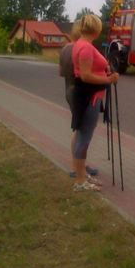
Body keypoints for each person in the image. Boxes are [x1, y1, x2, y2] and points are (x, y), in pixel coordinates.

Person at [71, 14, 119, 192]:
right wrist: (109, 80)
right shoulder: (85, 47)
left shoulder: (82, 44)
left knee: (83, 136)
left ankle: (82, 175)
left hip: (90, 96)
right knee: (84, 137)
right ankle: (80, 181)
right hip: (89, 96)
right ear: (96, 29)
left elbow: (90, 69)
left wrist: (103, 69)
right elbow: (85, 76)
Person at [58, 22, 99, 178]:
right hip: (80, 92)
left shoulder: (64, 49)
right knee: (82, 131)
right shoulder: (80, 49)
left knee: (80, 129)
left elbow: (61, 72)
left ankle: (80, 164)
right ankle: (77, 166)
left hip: (68, 90)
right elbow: (85, 74)